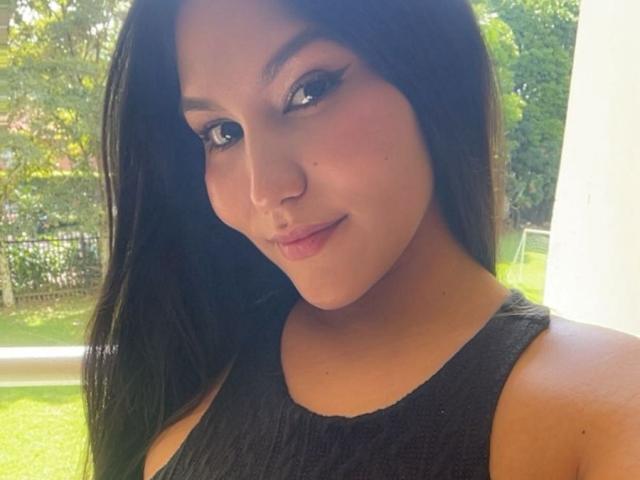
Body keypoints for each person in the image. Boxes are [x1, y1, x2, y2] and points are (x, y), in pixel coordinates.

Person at [82, 0, 640, 479]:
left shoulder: (609, 413)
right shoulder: (193, 364)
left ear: (429, 69)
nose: (266, 190)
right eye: (222, 133)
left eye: (309, 90)